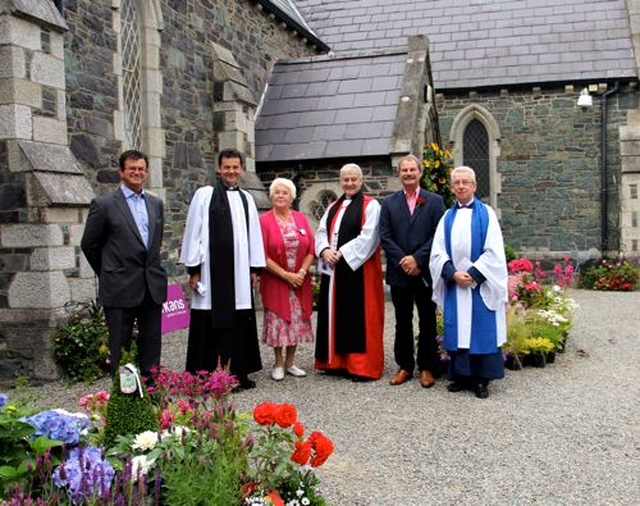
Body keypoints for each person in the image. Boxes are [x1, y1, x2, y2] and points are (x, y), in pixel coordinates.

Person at [179, 148, 266, 390]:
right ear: (219, 168)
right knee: (210, 321)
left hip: (239, 275)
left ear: (241, 169)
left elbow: (254, 237)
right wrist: (194, 269)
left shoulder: (246, 198)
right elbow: (193, 232)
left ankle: (237, 372)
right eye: (226, 167)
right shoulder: (204, 195)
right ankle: (207, 375)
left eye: (235, 167)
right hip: (210, 272)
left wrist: (254, 269)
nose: (231, 171)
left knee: (238, 321)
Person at [81, 149, 168, 379]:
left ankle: (151, 393)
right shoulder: (104, 205)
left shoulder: (155, 203)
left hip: (151, 286)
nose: (137, 173)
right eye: (132, 169)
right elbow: (89, 244)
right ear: (121, 172)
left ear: (146, 172)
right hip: (119, 286)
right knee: (120, 347)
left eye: (141, 169)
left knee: (152, 344)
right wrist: (109, 271)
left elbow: (154, 242)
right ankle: (124, 398)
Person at [429, 166, 508, 399]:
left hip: (479, 285)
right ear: (452, 187)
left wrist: (473, 273)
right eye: (457, 183)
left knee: (480, 330)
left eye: (465, 182)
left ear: (474, 186)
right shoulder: (447, 217)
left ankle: (482, 379)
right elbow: (437, 252)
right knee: (458, 330)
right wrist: (452, 273)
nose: (461, 186)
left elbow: (494, 252)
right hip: (456, 284)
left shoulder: (487, 214)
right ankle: (461, 376)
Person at [379, 154, 445, 388]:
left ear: (420, 173)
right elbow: (385, 236)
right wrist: (404, 260)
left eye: (412, 170)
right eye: (404, 170)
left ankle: (427, 367)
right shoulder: (388, 203)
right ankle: (405, 365)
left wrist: (417, 259)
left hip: (425, 271)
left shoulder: (434, 201)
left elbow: (439, 235)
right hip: (399, 272)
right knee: (402, 320)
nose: (408, 174)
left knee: (427, 319)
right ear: (399, 174)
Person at [314, 163, 385, 381]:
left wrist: (342, 253)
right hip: (334, 272)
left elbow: (370, 237)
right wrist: (325, 250)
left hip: (358, 272)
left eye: (353, 179)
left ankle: (360, 367)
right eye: (345, 179)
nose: (349, 183)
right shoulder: (333, 206)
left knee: (359, 316)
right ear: (340, 181)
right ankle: (335, 362)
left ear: (361, 181)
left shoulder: (370, 205)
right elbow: (321, 231)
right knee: (335, 314)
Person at [259, 178, 315, 381]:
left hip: (299, 280)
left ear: (292, 197)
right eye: (277, 192)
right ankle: (278, 362)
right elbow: (262, 255)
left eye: (285, 192)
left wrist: (301, 272)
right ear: (271, 196)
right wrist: (286, 275)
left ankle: (290, 362)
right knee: (278, 320)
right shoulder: (264, 220)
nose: (281, 195)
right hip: (276, 279)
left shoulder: (300, 218)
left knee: (297, 321)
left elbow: (311, 248)